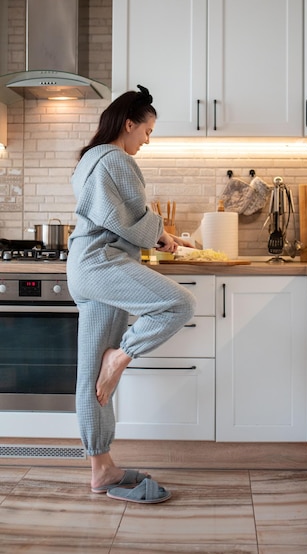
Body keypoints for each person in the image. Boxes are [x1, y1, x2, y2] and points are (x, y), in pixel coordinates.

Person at [66, 84, 196, 504]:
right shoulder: (118, 158)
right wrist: (159, 234)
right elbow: (133, 219)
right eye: (148, 131)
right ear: (129, 124)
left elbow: (116, 217)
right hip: (103, 264)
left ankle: (101, 469)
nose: (147, 140)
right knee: (179, 303)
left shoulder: (89, 159)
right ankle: (119, 358)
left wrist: (164, 236)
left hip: (86, 266)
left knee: (93, 379)